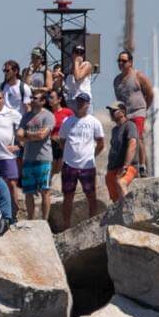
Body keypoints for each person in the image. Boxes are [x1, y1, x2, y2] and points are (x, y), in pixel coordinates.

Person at [58, 91, 105, 226]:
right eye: (78, 101)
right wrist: (69, 153)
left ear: (88, 104)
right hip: (69, 164)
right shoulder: (68, 121)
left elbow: (101, 143)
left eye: (83, 102)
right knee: (68, 196)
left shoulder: (94, 122)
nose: (80, 104)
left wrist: (92, 155)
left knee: (91, 195)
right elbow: (62, 140)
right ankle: (66, 226)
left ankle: (92, 224)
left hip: (87, 166)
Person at [112, 49, 155, 175]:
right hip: (125, 114)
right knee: (126, 140)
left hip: (138, 111)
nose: (121, 63)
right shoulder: (116, 81)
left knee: (138, 137)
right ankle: (130, 166)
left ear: (130, 62)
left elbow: (150, 93)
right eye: (119, 61)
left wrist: (145, 108)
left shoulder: (138, 76)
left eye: (124, 61)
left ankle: (142, 166)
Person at [17, 90, 56, 221]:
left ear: (43, 101)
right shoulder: (26, 116)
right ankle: (31, 220)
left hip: (43, 158)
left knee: (45, 190)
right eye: (32, 97)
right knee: (28, 192)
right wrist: (31, 136)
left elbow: (42, 135)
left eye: (36, 98)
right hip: (28, 157)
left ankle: (44, 221)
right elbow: (19, 135)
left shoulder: (48, 116)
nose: (33, 100)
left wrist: (27, 135)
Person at [104, 99, 141, 202]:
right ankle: (117, 213)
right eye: (110, 111)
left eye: (114, 110)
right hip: (113, 168)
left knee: (121, 182)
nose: (111, 113)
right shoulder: (114, 130)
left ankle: (127, 210)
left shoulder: (130, 125)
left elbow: (132, 144)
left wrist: (125, 166)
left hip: (128, 166)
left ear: (123, 112)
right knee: (114, 196)